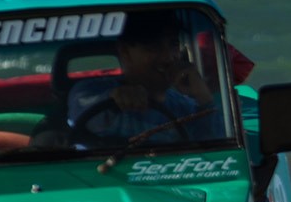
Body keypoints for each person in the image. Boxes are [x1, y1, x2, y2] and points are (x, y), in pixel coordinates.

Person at [68, 11, 221, 145]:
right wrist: (115, 98)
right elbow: (83, 115)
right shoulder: (88, 91)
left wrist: (204, 97)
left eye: (173, 44)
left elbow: (215, 151)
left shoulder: (186, 107)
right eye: (153, 47)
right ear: (125, 51)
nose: (167, 58)